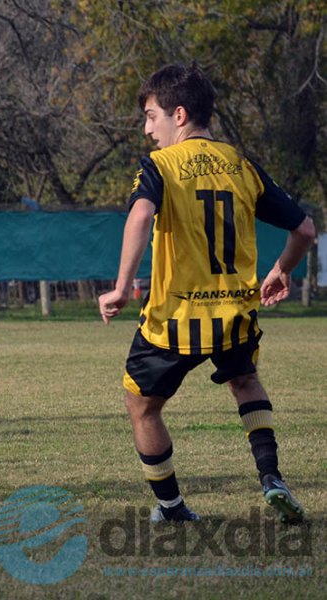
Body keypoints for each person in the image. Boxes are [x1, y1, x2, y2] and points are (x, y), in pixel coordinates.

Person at [98, 64, 315, 525]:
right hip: (234, 313)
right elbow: (305, 229)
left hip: (173, 319)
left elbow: (139, 218)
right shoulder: (241, 164)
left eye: (151, 116)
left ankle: (172, 509)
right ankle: (272, 478)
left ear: (179, 115)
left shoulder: (160, 166)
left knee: (141, 405)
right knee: (246, 382)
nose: (147, 129)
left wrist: (120, 287)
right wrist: (280, 271)